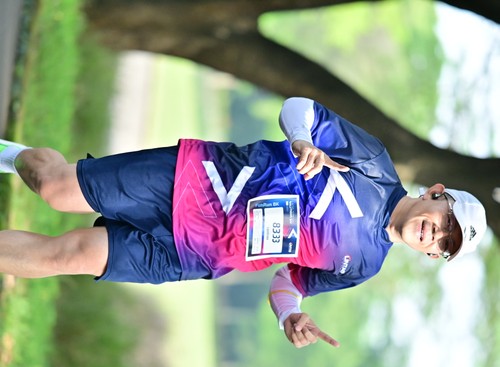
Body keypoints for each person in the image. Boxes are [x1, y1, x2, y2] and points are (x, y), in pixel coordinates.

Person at [0, 97, 487, 348]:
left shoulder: (363, 266)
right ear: (435, 193)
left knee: (68, 256)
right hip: (198, 181)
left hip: (195, 254)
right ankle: (12, 156)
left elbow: (288, 281)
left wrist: (288, 315)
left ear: (432, 255)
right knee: (55, 187)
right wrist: (302, 139)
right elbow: (299, 109)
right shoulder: (374, 166)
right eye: (446, 221)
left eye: (445, 245)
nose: (437, 234)